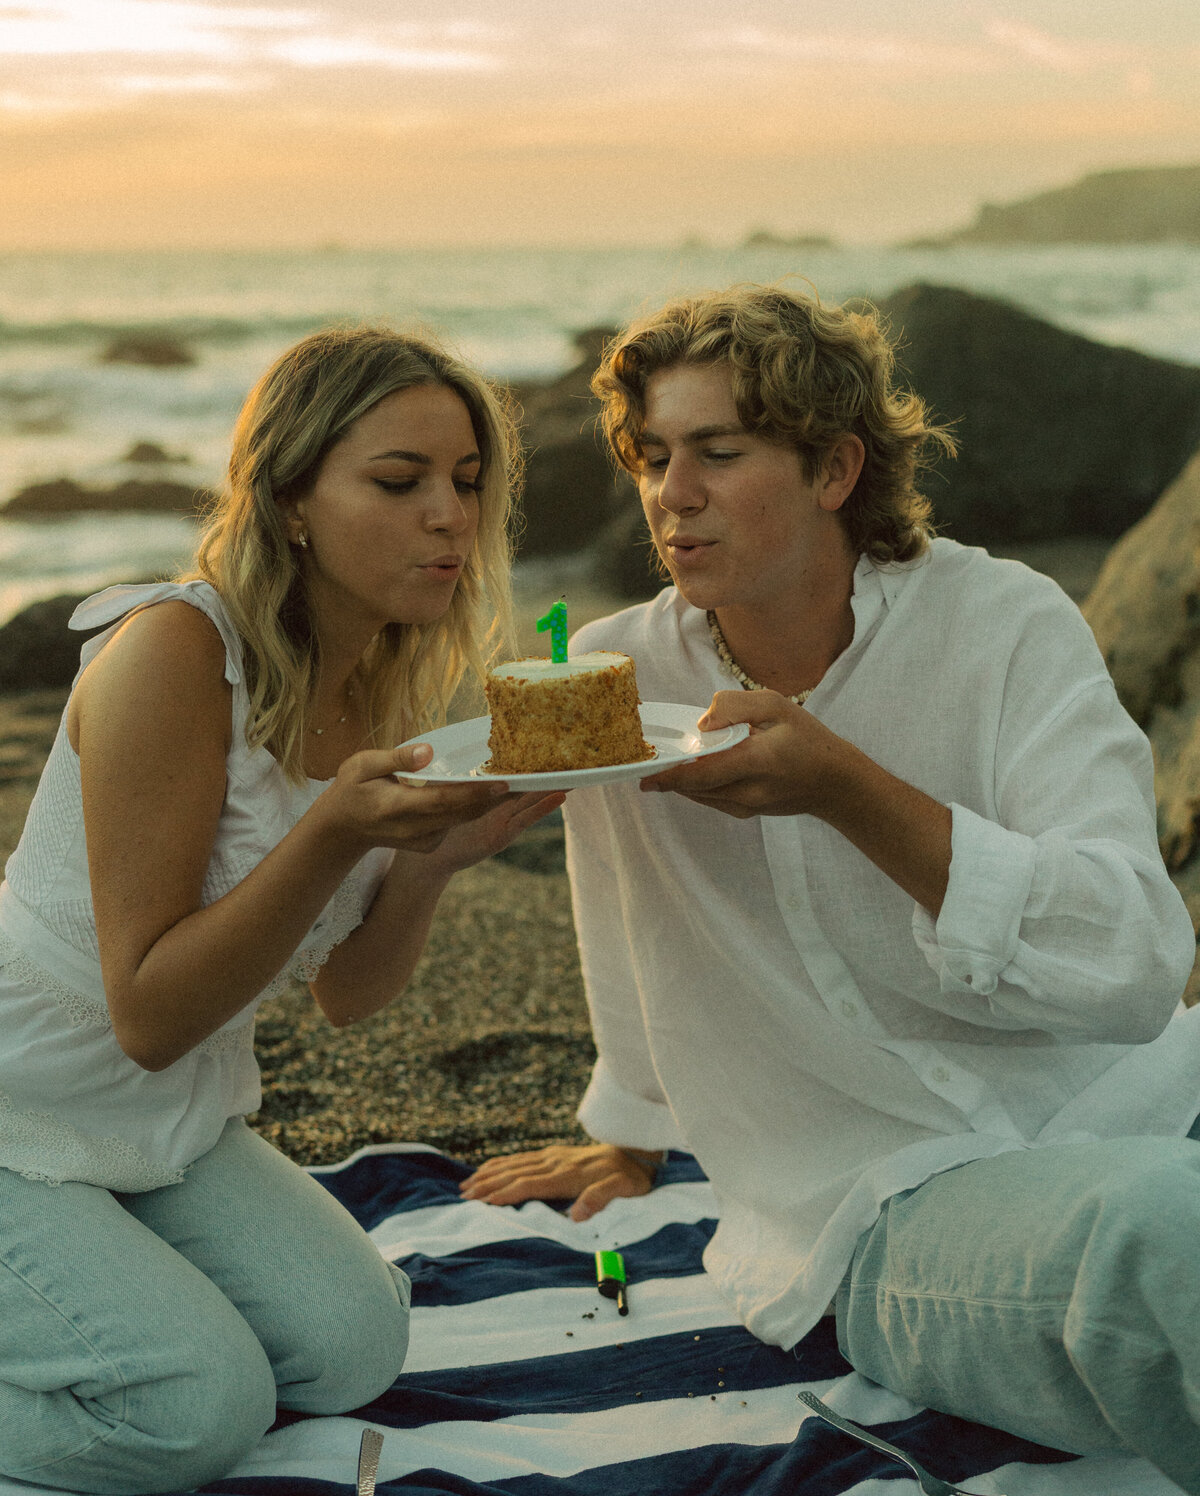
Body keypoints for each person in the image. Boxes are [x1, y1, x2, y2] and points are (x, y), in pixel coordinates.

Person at [461, 284, 1200, 1494]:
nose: (670, 493)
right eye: (652, 457)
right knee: (1165, 1239)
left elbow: (1134, 964)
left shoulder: (1006, 624)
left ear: (835, 468)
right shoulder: (613, 675)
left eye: (717, 452)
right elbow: (622, 912)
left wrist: (850, 790)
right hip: (875, 1210)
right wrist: (630, 1131)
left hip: (1141, 1089)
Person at [0, 325, 560, 1495]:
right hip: (19, 1107)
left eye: (467, 482)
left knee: (355, 1348)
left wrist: (427, 866)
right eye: (398, 482)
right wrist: (334, 834)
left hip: (169, 1126)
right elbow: (150, 1011)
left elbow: (343, 996)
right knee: (197, 1414)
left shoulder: (375, 682)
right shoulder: (174, 654)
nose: (450, 516)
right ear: (291, 502)